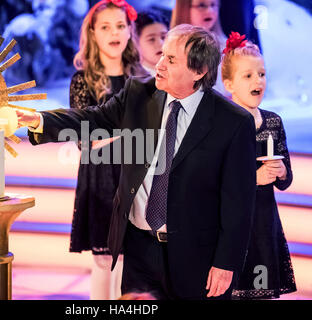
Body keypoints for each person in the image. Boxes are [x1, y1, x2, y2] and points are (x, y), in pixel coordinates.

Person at [17, 24, 256, 300]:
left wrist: (226, 263)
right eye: (162, 55)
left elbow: (239, 204)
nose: (159, 63)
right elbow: (93, 120)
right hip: (139, 251)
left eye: (171, 59)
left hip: (198, 257)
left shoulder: (233, 122)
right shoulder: (138, 94)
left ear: (199, 71)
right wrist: (40, 120)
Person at [68, 0, 146, 300]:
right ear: (93, 33)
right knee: (104, 262)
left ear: (129, 31)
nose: (114, 32)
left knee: (132, 262)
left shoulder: (141, 78)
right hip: (102, 179)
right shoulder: (83, 81)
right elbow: (87, 139)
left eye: (120, 25)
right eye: (105, 27)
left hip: (135, 177)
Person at [221, 32, 297, 299]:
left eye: (261, 74)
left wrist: (282, 171)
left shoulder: (273, 122)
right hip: (232, 229)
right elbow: (214, 180)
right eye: (248, 76)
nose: (258, 81)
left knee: (261, 291)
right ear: (229, 84)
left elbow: (285, 179)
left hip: (264, 225)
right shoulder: (221, 124)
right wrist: (253, 179)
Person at [170, 0, 228, 96]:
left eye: (213, 5)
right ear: (184, 9)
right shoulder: (172, 47)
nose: (210, 11)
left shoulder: (225, 46)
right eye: (201, 5)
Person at [135, 10, 169, 76]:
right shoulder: (133, 80)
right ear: (136, 43)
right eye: (151, 39)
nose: (161, 43)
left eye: (163, 37)